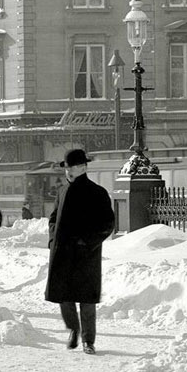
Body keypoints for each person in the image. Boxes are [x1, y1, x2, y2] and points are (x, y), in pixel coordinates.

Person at [46, 148, 116, 354]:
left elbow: (108, 223)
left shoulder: (97, 192)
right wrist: (53, 240)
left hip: (86, 253)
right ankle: (73, 329)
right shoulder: (61, 191)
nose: (69, 171)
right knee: (63, 296)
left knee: (86, 299)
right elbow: (52, 219)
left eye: (73, 167)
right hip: (62, 253)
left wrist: (88, 242)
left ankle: (88, 341)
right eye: (67, 168)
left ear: (84, 167)